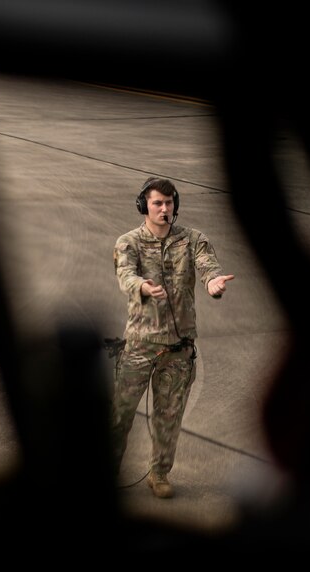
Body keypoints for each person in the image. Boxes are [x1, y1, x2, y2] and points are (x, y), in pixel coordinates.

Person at [110, 177, 234, 498]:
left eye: (169, 202)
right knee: (120, 414)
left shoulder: (192, 240)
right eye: (157, 203)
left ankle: (159, 473)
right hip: (140, 345)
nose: (164, 209)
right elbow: (125, 274)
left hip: (178, 349)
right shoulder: (129, 242)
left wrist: (213, 283)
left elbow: (207, 266)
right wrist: (142, 286)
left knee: (168, 416)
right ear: (144, 206)